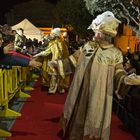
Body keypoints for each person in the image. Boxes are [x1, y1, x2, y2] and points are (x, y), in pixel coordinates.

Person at [49, 11, 140, 140]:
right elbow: (72, 60)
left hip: (98, 94)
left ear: (107, 35)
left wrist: (127, 79)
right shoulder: (87, 47)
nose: (95, 35)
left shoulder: (115, 53)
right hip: (80, 90)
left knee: (94, 115)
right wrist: (57, 64)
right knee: (78, 113)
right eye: (95, 31)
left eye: (98, 32)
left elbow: (119, 72)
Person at [34, 28, 70, 94]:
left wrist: (37, 54)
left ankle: (56, 89)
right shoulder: (54, 43)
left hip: (59, 62)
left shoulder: (61, 43)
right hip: (57, 62)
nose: (52, 35)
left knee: (57, 76)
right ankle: (56, 89)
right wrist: (38, 54)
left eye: (53, 34)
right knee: (56, 76)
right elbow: (46, 52)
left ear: (56, 35)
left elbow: (66, 53)